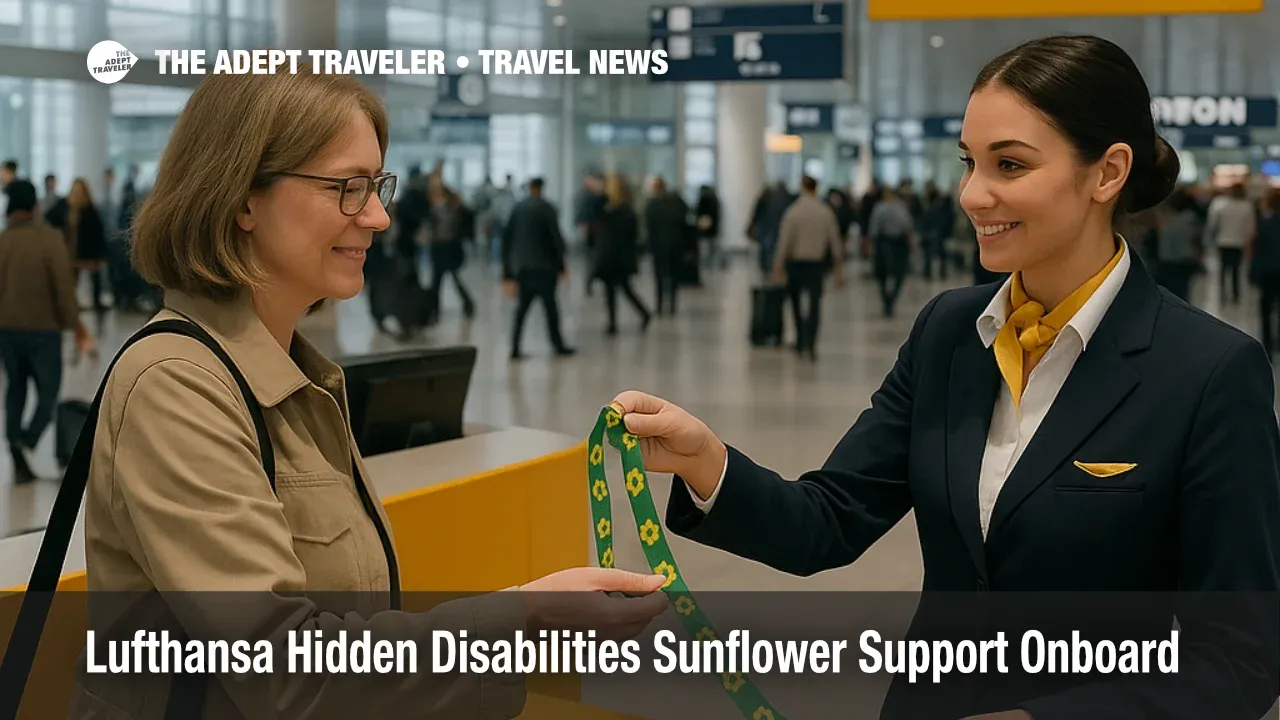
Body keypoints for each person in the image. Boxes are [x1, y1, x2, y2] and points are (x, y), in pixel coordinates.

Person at [611, 35, 1280, 719]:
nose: (972, 195)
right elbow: (829, 520)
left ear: (1107, 173)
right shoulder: (950, 334)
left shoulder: (1208, 372)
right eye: (968, 162)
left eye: (1009, 164)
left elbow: (1239, 659)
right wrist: (707, 460)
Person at [69, 69, 663, 717]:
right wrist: (523, 618)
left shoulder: (297, 378)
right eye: (348, 188)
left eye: (377, 186)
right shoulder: (177, 387)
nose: (377, 217)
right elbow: (285, 673)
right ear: (243, 198)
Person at [0, 180, 94, 482]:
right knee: (48, 392)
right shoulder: (49, 240)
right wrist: (76, 326)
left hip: (7, 331)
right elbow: (64, 289)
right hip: (43, 331)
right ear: (35, 206)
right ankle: (27, 439)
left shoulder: (2, 241)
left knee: (15, 388)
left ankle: (16, 448)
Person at [771, 174, 845, 358]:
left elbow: (784, 242)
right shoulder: (825, 212)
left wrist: (778, 266)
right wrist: (838, 270)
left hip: (796, 263)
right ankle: (812, 343)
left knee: (795, 302)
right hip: (816, 264)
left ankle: (800, 339)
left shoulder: (793, 212)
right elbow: (835, 242)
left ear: (802, 187)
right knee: (814, 303)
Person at [503, 176, 576, 359]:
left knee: (521, 310)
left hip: (524, 268)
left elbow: (508, 239)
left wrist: (508, 272)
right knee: (550, 309)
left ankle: (515, 347)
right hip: (545, 268)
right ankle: (558, 345)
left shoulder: (518, 208)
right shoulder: (547, 208)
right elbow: (555, 239)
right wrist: (562, 266)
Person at [595, 173, 651, 335]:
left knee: (622, 290)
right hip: (615, 257)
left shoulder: (622, 212)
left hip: (617, 257)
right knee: (616, 291)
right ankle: (615, 322)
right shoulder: (619, 211)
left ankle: (639, 314)